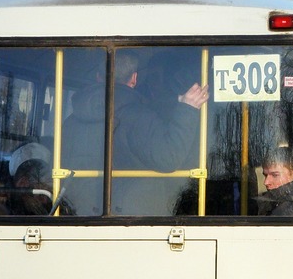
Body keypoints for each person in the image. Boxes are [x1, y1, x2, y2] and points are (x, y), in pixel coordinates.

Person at [61, 52, 208, 215]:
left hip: (78, 216)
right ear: (134, 79)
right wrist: (187, 109)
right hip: (132, 218)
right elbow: (168, 158)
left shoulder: (69, 123)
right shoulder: (139, 118)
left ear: (98, 77)